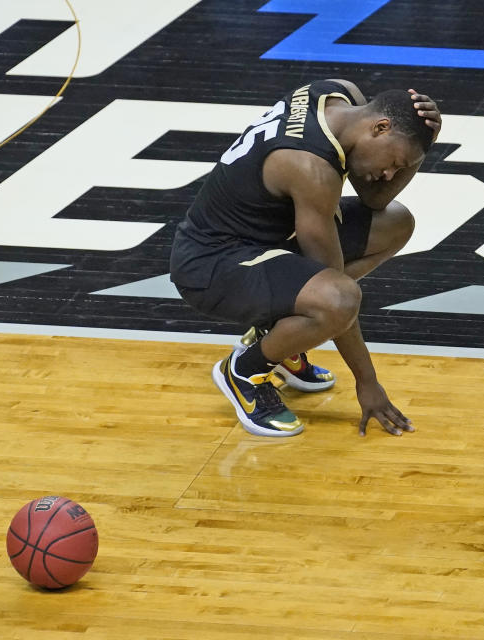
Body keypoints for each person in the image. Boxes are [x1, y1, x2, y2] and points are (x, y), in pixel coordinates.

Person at [170, 79, 440, 437]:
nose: (391, 174)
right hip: (211, 263)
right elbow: (337, 287)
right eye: (394, 161)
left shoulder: (339, 94)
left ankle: (283, 336)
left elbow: (375, 200)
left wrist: (424, 142)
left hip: (264, 239)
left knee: (395, 223)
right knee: (337, 299)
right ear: (379, 127)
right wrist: (367, 382)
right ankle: (245, 370)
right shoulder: (311, 169)